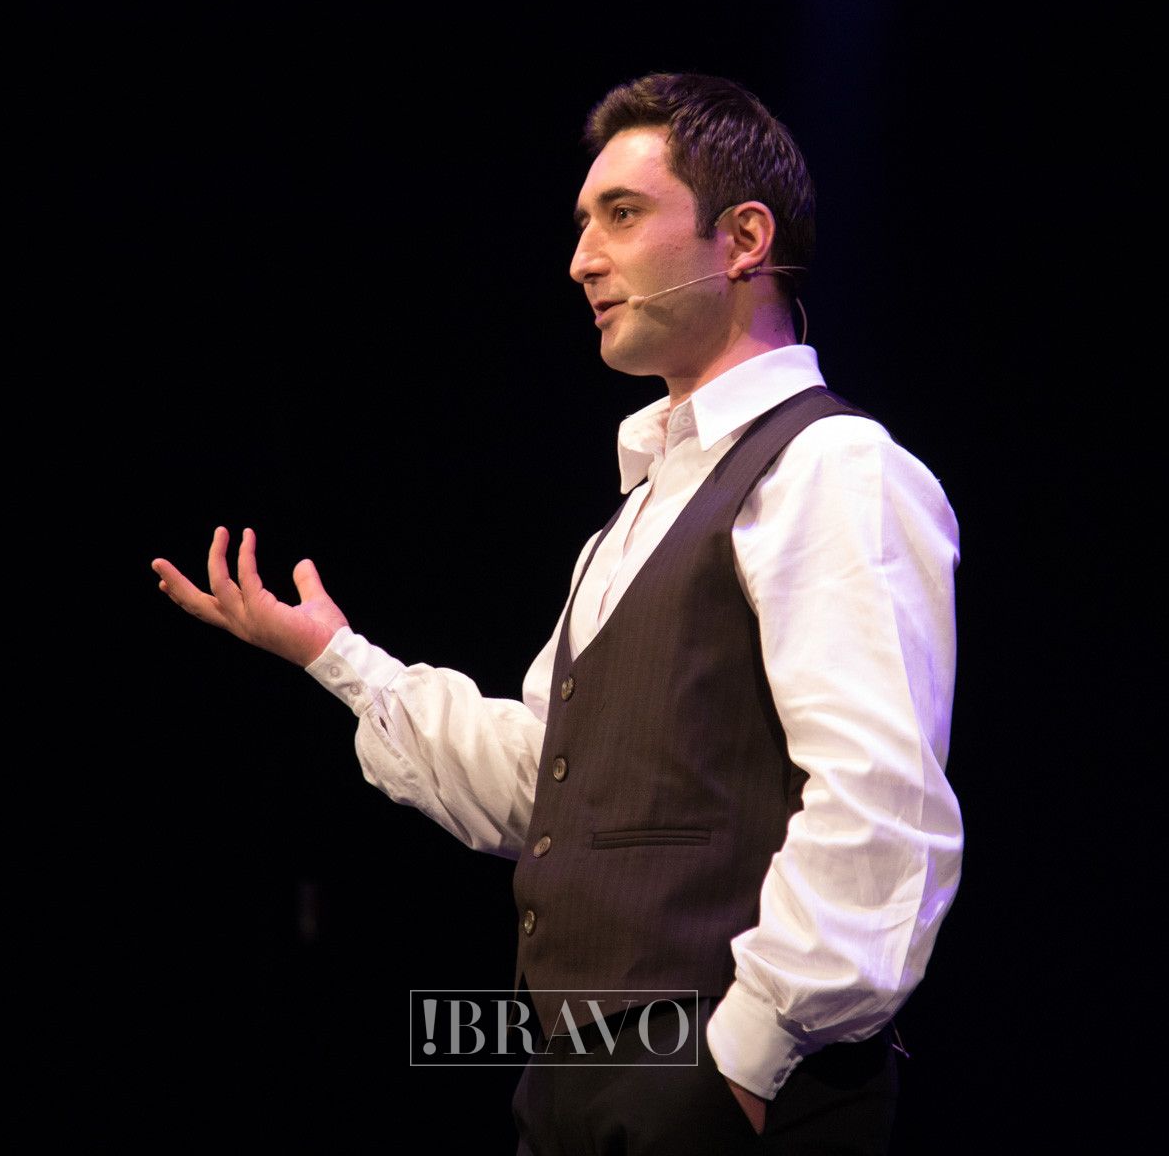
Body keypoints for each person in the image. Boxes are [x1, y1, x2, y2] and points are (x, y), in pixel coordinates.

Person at [151, 73, 962, 1154]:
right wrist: (337, 657)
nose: (582, 258)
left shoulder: (831, 468)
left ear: (743, 239)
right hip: (584, 1077)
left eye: (622, 214)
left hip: (731, 1084)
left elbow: (880, 802)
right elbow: (549, 785)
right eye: (583, 223)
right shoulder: (631, 518)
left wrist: (744, 1058)